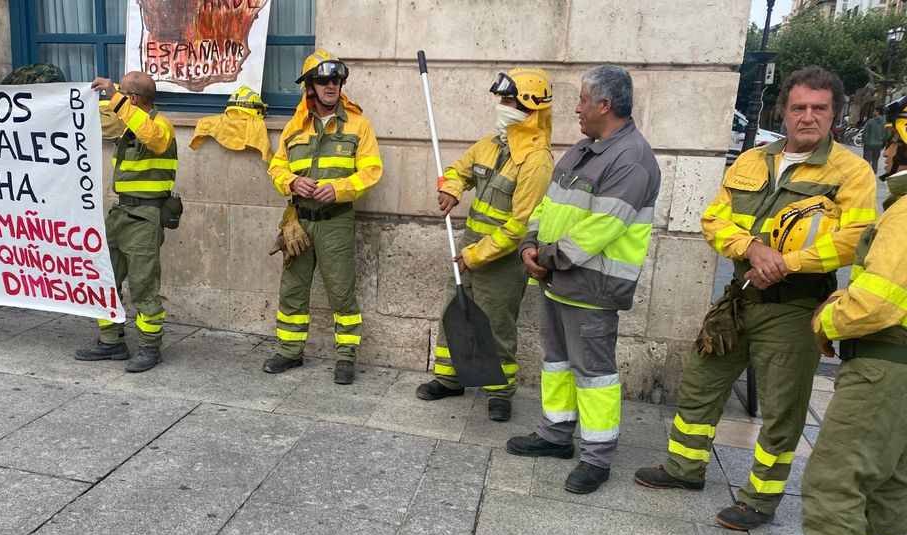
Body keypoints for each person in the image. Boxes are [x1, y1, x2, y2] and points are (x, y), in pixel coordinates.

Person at [634, 66, 877, 530]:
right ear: (784, 111)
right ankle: (684, 468)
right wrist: (752, 249)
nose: (808, 117)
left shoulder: (851, 172)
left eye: (819, 108)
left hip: (795, 305)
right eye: (799, 107)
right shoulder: (751, 161)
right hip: (740, 298)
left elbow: (856, 239)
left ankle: (759, 500)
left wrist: (788, 263)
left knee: (783, 408)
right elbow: (714, 220)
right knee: (701, 381)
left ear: (834, 114)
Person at [757, 95, 907, 535]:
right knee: (890, 478)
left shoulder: (905, 214)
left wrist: (829, 318)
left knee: (837, 475)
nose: (884, 150)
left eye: (891, 141)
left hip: (886, 362)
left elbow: (878, 302)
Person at [505, 65, 660, 495]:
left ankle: (597, 457)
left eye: (582, 100)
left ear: (604, 105)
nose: (576, 108)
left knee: (594, 374)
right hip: (558, 278)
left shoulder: (631, 159)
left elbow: (601, 228)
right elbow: (547, 205)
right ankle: (555, 435)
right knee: (557, 362)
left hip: (592, 287)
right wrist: (529, 244)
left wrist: (545, 258)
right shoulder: (582, 150)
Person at [415, 68, 555, 421]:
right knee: (454, 312)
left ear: (530, 109)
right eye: (501, 99)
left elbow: (519, 226)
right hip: (469, 248)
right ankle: (449, 380)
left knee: (497, 325)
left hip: (501, 260)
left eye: (508, 101)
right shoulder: (489, 145)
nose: (501, 106)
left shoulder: (537, 161)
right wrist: (452, 189)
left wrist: (474, 256)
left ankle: (500, 392)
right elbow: (458, 170)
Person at [262, 49, 383, 385]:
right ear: (310, 87)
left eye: (336, 80)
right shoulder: (295, 126)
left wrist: (339, 189)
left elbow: (372, 171)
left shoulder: (359, 125)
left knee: (341, 293)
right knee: (292, 290)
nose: (331, 85)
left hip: (335, 221)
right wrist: (292, 182)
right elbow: (277, 166)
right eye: (323, 80)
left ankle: (345, 358)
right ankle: (290, 351)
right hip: (299, 221)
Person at [74, 72, 176, 373]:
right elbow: (93, 117)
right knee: (104, 278)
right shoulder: (126, 123)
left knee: (143, 285)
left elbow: (154, 139)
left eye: (121, 93)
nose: (113, 98)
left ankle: (150, 347)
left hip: (146, 216)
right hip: (120, 213)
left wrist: (114, 97)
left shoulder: (161, 125)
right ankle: (111, 341)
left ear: (131, 98)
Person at [862, 106, 888, 173]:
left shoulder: (870, 121)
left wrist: (864, 140)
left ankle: (866, 173)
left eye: (874, 111)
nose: (873, 112)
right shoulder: (885, 122)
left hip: (869, 143)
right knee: (875, 160)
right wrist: (882, 140)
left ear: (877, 112)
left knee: (867, 160)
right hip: (878, 144)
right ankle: (874, 173)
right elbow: (888, 134)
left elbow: (865, 132)